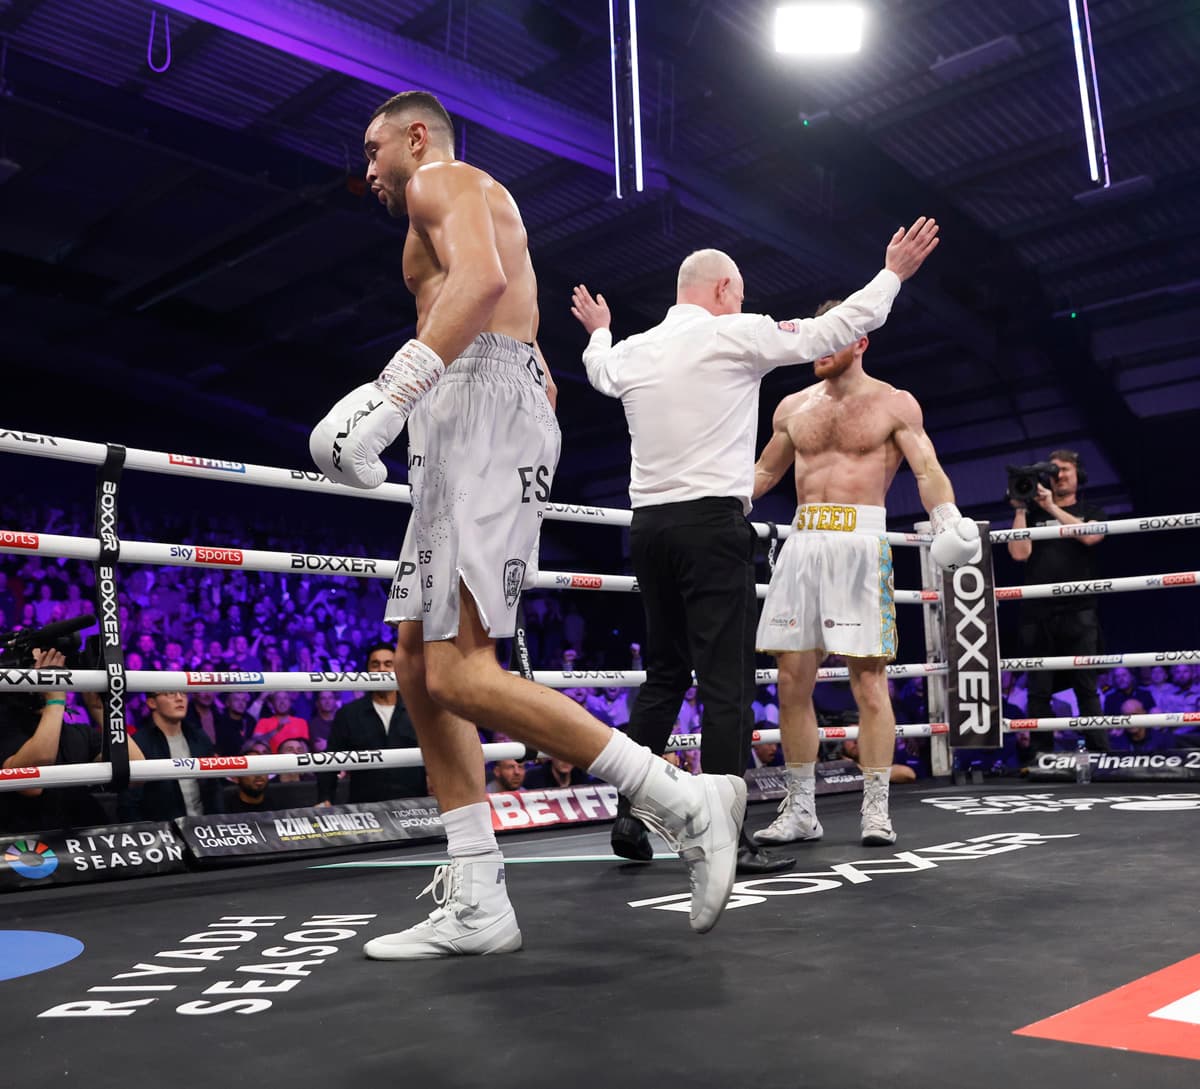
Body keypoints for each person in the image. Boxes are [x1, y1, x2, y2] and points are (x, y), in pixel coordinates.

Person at [307, 90, 746, 958]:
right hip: (473, 404)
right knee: (411, 659)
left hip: (471, 406)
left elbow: (485, 282)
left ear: (416, 137)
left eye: (372, 149)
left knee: (462, 673)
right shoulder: (463, 206)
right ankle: (478, 897)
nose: (367, 171)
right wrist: (485, 389)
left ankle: (685, 800)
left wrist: (397, 397)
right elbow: (519, 337)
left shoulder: (445, 181)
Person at [570, 219, 941, 869]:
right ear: (722, 289)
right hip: (711, 525)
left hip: (649, 527)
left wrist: (599, 327)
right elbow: (830, 329)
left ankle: (631, 817)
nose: (740, 306)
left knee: (663, 677)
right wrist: (893, 275)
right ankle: (724, 837)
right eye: (737, 296)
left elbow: (597, 369)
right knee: (727, 687)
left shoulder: (631, 350)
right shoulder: (735, 332)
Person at [749, 300, 980, 847]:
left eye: (832, 337)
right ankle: (801, 808)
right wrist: (716, 502)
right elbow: (763, 471)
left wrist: (947, 519)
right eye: (814, 336)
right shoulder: (792, 406)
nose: (818, 347)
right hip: (803, 542)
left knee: (869, 683)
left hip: (860, 543)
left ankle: (876, 809)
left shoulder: (893, 404)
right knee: (790, 682)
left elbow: (928, 470)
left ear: (861, 341)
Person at [1007, 450, 1109, 755]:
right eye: (1054, 471)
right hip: (1038, 613)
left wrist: (1052, 507)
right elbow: (1018, 554)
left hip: (1079, 611)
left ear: (1079, 476)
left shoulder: (1091, 510)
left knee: (1085, 686)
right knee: (1038, 690)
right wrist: (1021, 509)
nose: (1060, 475)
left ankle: (1101, 753)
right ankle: (1041, 756)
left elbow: (1091, 538)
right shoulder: (1034, 514)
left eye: (1065, 470)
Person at [0, 647, 145, 833]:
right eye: (42, 668)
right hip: (32, 851)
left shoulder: (78, 734)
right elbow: (31, 785)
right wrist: (55, 700)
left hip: (84, 846)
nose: (52, 674)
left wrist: (103, 711)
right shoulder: (6, 728)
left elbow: (135, 769)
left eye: (56, 670)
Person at [314, 642, 425, 806]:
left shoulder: (418, 712)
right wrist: (325, 799)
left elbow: (437, 758)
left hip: (414, 807)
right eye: (375, 664)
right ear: (367, 671)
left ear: (398, 669)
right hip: (366, 809)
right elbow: (331, 760)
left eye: (388, 664)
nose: (381, 670)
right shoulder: (349, 714)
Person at [122, 691, 223, 821]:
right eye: (170, 693)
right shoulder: (138, 744)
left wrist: (218, 824)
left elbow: (214, 787)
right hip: (161, 833)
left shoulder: (199, 736)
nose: (179, 698)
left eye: (183, 693)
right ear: (152, 702)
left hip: (203, 830)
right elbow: (129, 803)